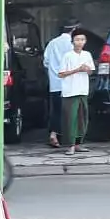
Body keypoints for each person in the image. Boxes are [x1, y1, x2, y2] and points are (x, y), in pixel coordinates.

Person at [43, 20, 80, 148]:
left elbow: (46, 62)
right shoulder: (73, 45)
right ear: (74, 29)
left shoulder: (52, 43)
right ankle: (72, 140)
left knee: (57, 111)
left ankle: (54, 135)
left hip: (55, 84)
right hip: (70, 84)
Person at [57, 32, 95, 155]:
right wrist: (77, 70)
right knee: (70, 119)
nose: (79, 42)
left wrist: (86, 69)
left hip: (82, 90)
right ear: (73, 41)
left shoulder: (87, 54)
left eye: (82, 40)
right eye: (77, 39)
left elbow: (91, 72)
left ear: (85, 42)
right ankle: (70, 145)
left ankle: (79, 143)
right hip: (70, 92)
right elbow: (61, 74)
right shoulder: (67, 56)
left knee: (82, 119)